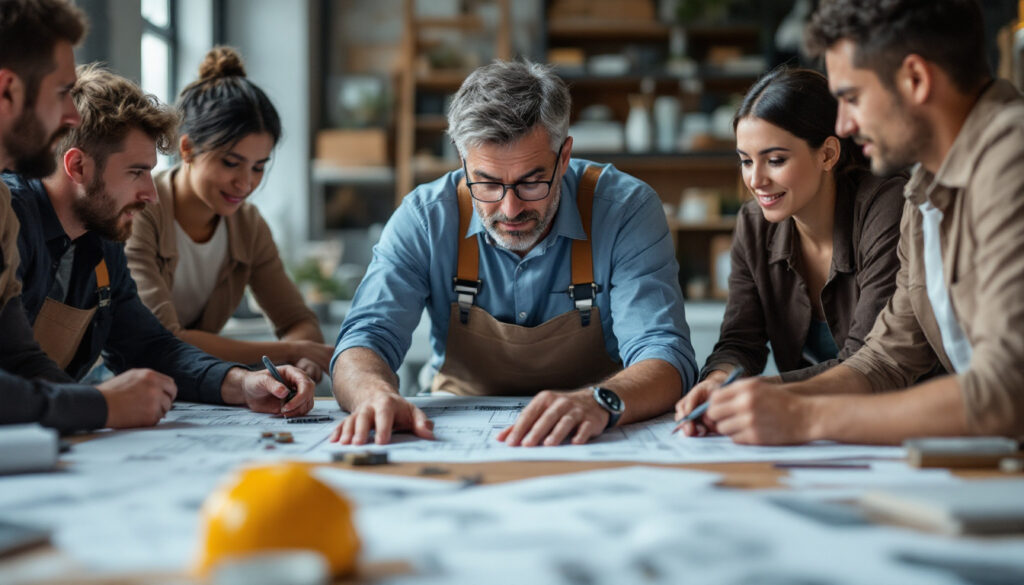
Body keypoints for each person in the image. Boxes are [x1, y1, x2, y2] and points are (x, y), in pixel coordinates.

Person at [686, 0, 1024, 444]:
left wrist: (806, 419)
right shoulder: (923, 187)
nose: (843, 124)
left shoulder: (1011, 156)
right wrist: (746, 397)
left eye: (851, 98)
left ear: (916, 80)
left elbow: (1006, 388)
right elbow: (884, 360)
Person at [330, 60, 696, 447]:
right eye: (486, 184)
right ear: (462, 159)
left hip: (596, 430)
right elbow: (365, 338)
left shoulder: (625, 210)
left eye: (531, 182)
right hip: (456, 431)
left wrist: (600, 401)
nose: (510, 209)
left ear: (564, 155)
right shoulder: (425, 217)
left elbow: (665, 353)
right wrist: (373, 393)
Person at [5, 64, 315, 428]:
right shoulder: (9, 218)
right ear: (78, 167)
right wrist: (98, 405)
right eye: (136, 172)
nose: (151, 195)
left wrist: (242, 383)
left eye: (151, 173)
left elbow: (150, 346)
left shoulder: (101, 239)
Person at [673, 68, 907, 436]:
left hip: (897, 428)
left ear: (828, 153)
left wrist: (759, 392)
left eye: (775, 160)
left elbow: (870, 361)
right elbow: (740, 341)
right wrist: (718, 382)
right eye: (746, 160)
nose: (755, 180)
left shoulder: (885, 207)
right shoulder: (753, 224)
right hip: (811, 434)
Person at [0, 0, 186, 433]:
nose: (70, 115)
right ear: (8, 90)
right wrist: (99, 406)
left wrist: (235, 380)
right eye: (62, 92)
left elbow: (20, 360)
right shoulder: (15, 209)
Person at [125, 47, 332, 382]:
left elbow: (297, 320)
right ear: (187, 148)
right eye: (231, 163)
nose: (246, 183)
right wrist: (292, 351)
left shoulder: (248, 225)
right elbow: (164, 338)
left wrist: (304, 358)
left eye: (259, 167)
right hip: (126, 381)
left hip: (199, 386)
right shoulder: (141, 212)